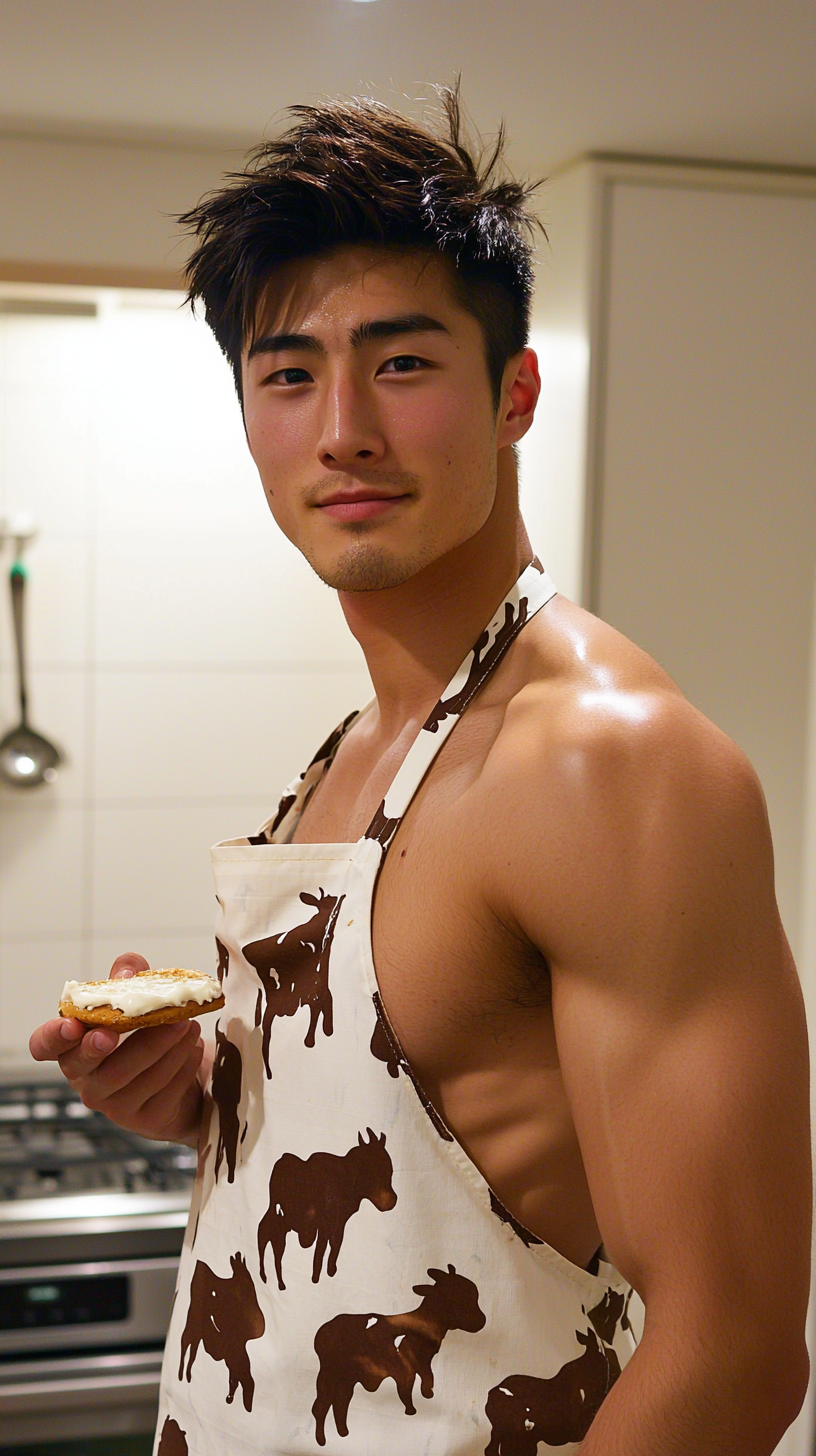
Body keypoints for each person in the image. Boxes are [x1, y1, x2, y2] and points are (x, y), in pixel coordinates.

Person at [31, 88, 810, 1455]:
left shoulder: (606, 764)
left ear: (513, 392)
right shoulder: (355, 750)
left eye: (401, 364)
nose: (342, 429)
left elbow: (732, 1354)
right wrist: (201, 1101)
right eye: (288, 375)